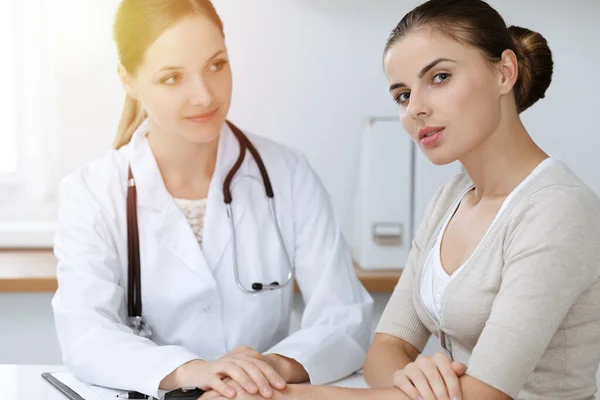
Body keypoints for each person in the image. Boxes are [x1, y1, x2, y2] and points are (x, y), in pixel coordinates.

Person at [198, 0, 600, 399]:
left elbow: (483, 395)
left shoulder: (557, 209)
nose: (417, 109)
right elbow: (384, 352)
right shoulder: (450, 200)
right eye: (403, 95)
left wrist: (279, 397)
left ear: (504, 72)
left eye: (440, 77)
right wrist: (416, 374)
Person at [51, 1, 373, 399]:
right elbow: (85, 332)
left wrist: (273, 366)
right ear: (128, 80)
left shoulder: (286, 174)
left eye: (216, 65)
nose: (204, 95)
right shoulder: (93, 191)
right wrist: (192, 370)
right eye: (172, 78)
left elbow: (345, 315)